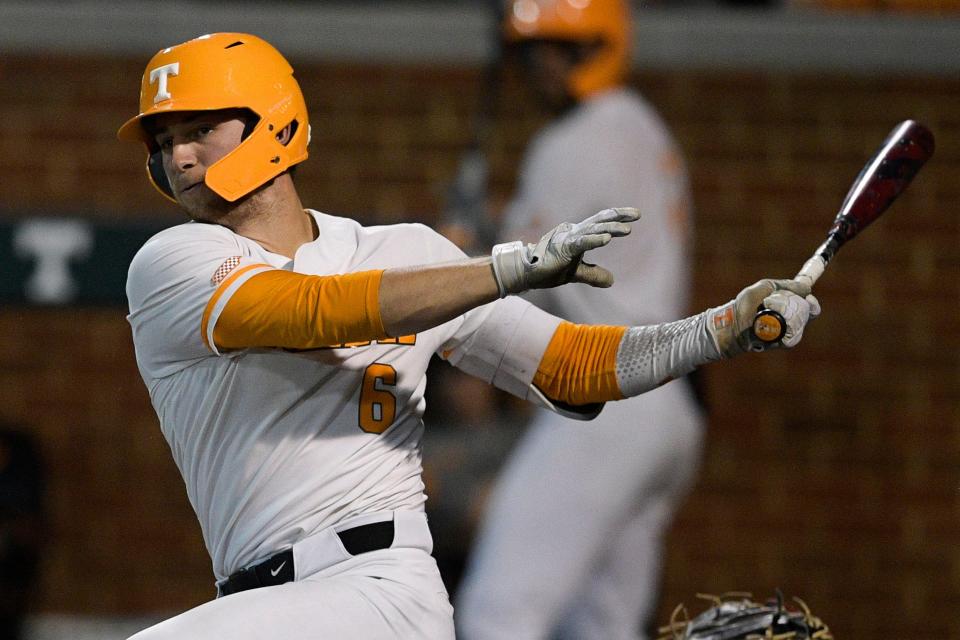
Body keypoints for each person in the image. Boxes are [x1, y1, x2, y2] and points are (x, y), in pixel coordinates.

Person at [117, 32, 818, 640]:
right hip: (263, 602)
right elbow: (315, 310)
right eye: (165, 140)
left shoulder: (403, 251)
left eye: (199, 129)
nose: (178, 157)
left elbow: (572, 366)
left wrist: (721, 330)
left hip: (380, 592)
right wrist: (504, 269)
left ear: (269, 121)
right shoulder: (172, 262)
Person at [454, 2, 706, 638]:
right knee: (600, 625)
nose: (540, 68)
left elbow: (518, 288)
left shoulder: (574, 141)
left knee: (496, 613)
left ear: (595, 47)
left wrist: (458, 249)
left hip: (609, 400)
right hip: (665, 405)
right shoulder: (640, 126)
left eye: (557, 51)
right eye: (533, 53)